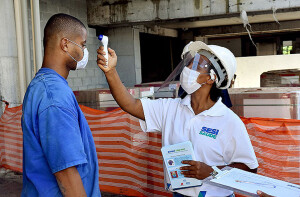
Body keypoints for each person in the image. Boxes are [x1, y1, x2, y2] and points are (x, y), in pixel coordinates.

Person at [96, 41, 258, 197]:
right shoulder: (170, 108)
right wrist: (110, 72)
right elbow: (131, 104)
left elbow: (250, 168)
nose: (188, 68)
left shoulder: (228, 121)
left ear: (212, 77)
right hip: (179, 194)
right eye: (189, 63)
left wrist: (214, 172)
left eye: (196, 65)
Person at [21, 13, 100, 197]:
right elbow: (66, 173)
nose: (83, 51)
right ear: (65, 44)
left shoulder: (43, 85)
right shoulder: (53, 96)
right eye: (82, 44)